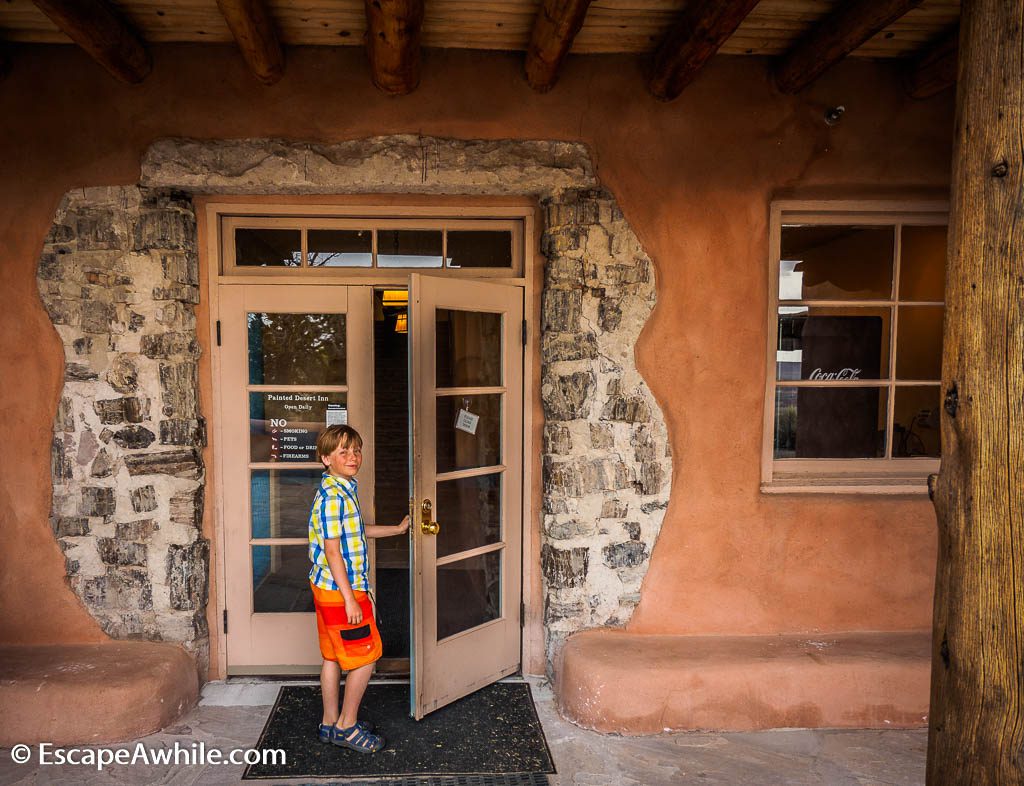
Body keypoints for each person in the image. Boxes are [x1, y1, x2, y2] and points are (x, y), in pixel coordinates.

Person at [308, 424, 410, 753]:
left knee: (332, 657)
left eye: (356, 450)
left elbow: (356, 530)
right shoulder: (332, 498)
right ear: (326, 458)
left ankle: (329, 722)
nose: (353, 457)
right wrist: (351, 600)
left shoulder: (342, 487)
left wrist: (396, 529)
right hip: (343, 593)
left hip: (329, 590)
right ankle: (347, 726)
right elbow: (333, 550)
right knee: (366, 658)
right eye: (343, 452)